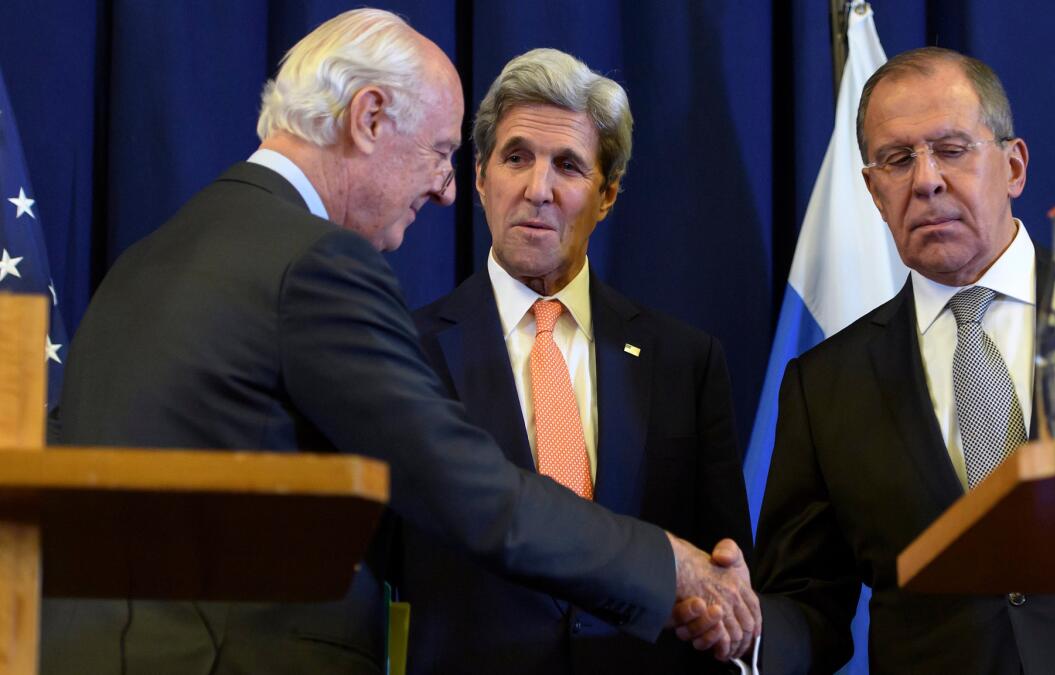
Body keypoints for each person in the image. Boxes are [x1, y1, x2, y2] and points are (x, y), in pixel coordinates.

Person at [43, 9, 757, 674]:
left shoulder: (143, 262)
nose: (445, 189)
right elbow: (462, 487)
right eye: (442, 152)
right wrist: (667, 563)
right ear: (371, 118)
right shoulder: (315, 262)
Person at [751, 46, 1055, 674]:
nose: (926, 179)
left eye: (952, 149)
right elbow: (808, 608)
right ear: (874, 192)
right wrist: (742, 630)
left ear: (1014, 167)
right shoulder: (823, 384)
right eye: (898, 159)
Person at [402, 48, 754, 674]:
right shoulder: (406, 351)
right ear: (480, 176)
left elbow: (722, 571)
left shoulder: (684, 361)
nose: (538, 190)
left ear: (608, 195)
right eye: (516, 158)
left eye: (567, 165)